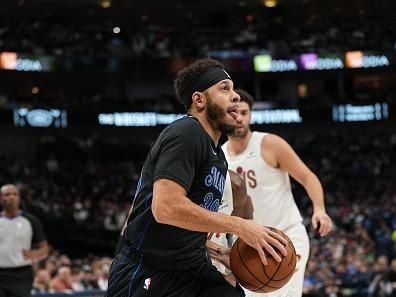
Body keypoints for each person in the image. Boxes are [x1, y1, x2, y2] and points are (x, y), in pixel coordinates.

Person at [105, 59, 288, 297]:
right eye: (224, 88)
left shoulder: (218, 157)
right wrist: (241, 226)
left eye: (234, 89)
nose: (235, 96)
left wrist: (221, 254)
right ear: (199, 99)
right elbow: (166, 208)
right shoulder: (187, 133)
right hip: (149, 270)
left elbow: (188, 225)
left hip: (193, 269)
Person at [220, 89, 333, 297]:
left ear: (250, 115)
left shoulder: (269, 144)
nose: (240, 118)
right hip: (250, 247)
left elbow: (308, 177)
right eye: (235, 112)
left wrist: (319, 209)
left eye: (245, 113)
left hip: (286, 237)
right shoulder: (220, 157)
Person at [0, 184, 49, 297]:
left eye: (15, 194)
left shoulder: (31, 221)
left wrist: (35, 254)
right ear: (0, 199)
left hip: (22, 274)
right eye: (7, 194)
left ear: (19, 198)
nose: (11, 197)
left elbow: (44, 248)